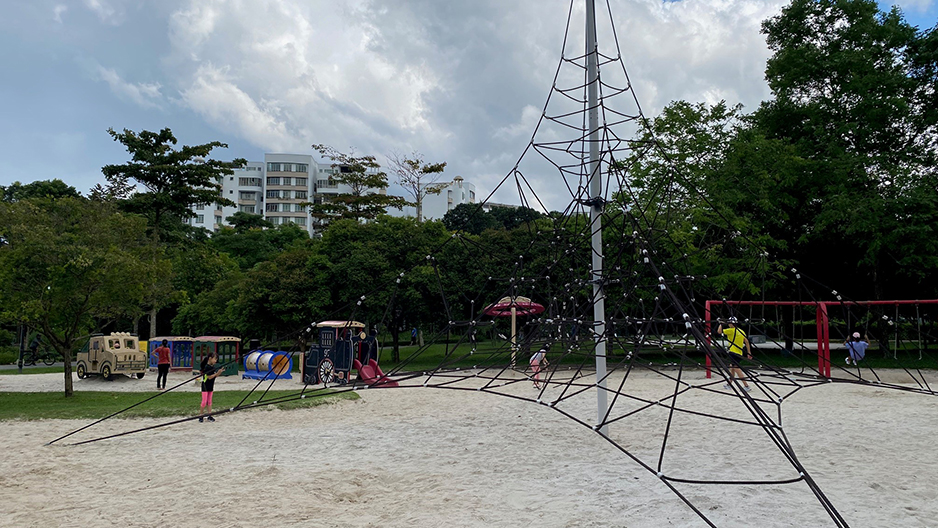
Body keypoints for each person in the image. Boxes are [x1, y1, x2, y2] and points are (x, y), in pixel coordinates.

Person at [717, 317, 752, 392]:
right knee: (732, 367)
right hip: (739, 352)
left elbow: (719, 332)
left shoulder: (731, 331)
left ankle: (746, 385)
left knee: (736, 368)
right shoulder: (741, 331)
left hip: (733, 352)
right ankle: (729, 384)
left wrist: (721, 324)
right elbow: (746, 342)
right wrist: (749, 352)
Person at [198, 352, 223, 423]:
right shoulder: (207, 367)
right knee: (204, 401)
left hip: (211, 386)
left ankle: (209, 415)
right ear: (210, 358)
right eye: (215, 359)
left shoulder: (212, 367)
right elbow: (209, 377)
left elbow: (215, 376)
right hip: (205, 386)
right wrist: (216, 374)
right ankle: (201, 415)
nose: (216, 360)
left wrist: (219, 372)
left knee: (209, 401)